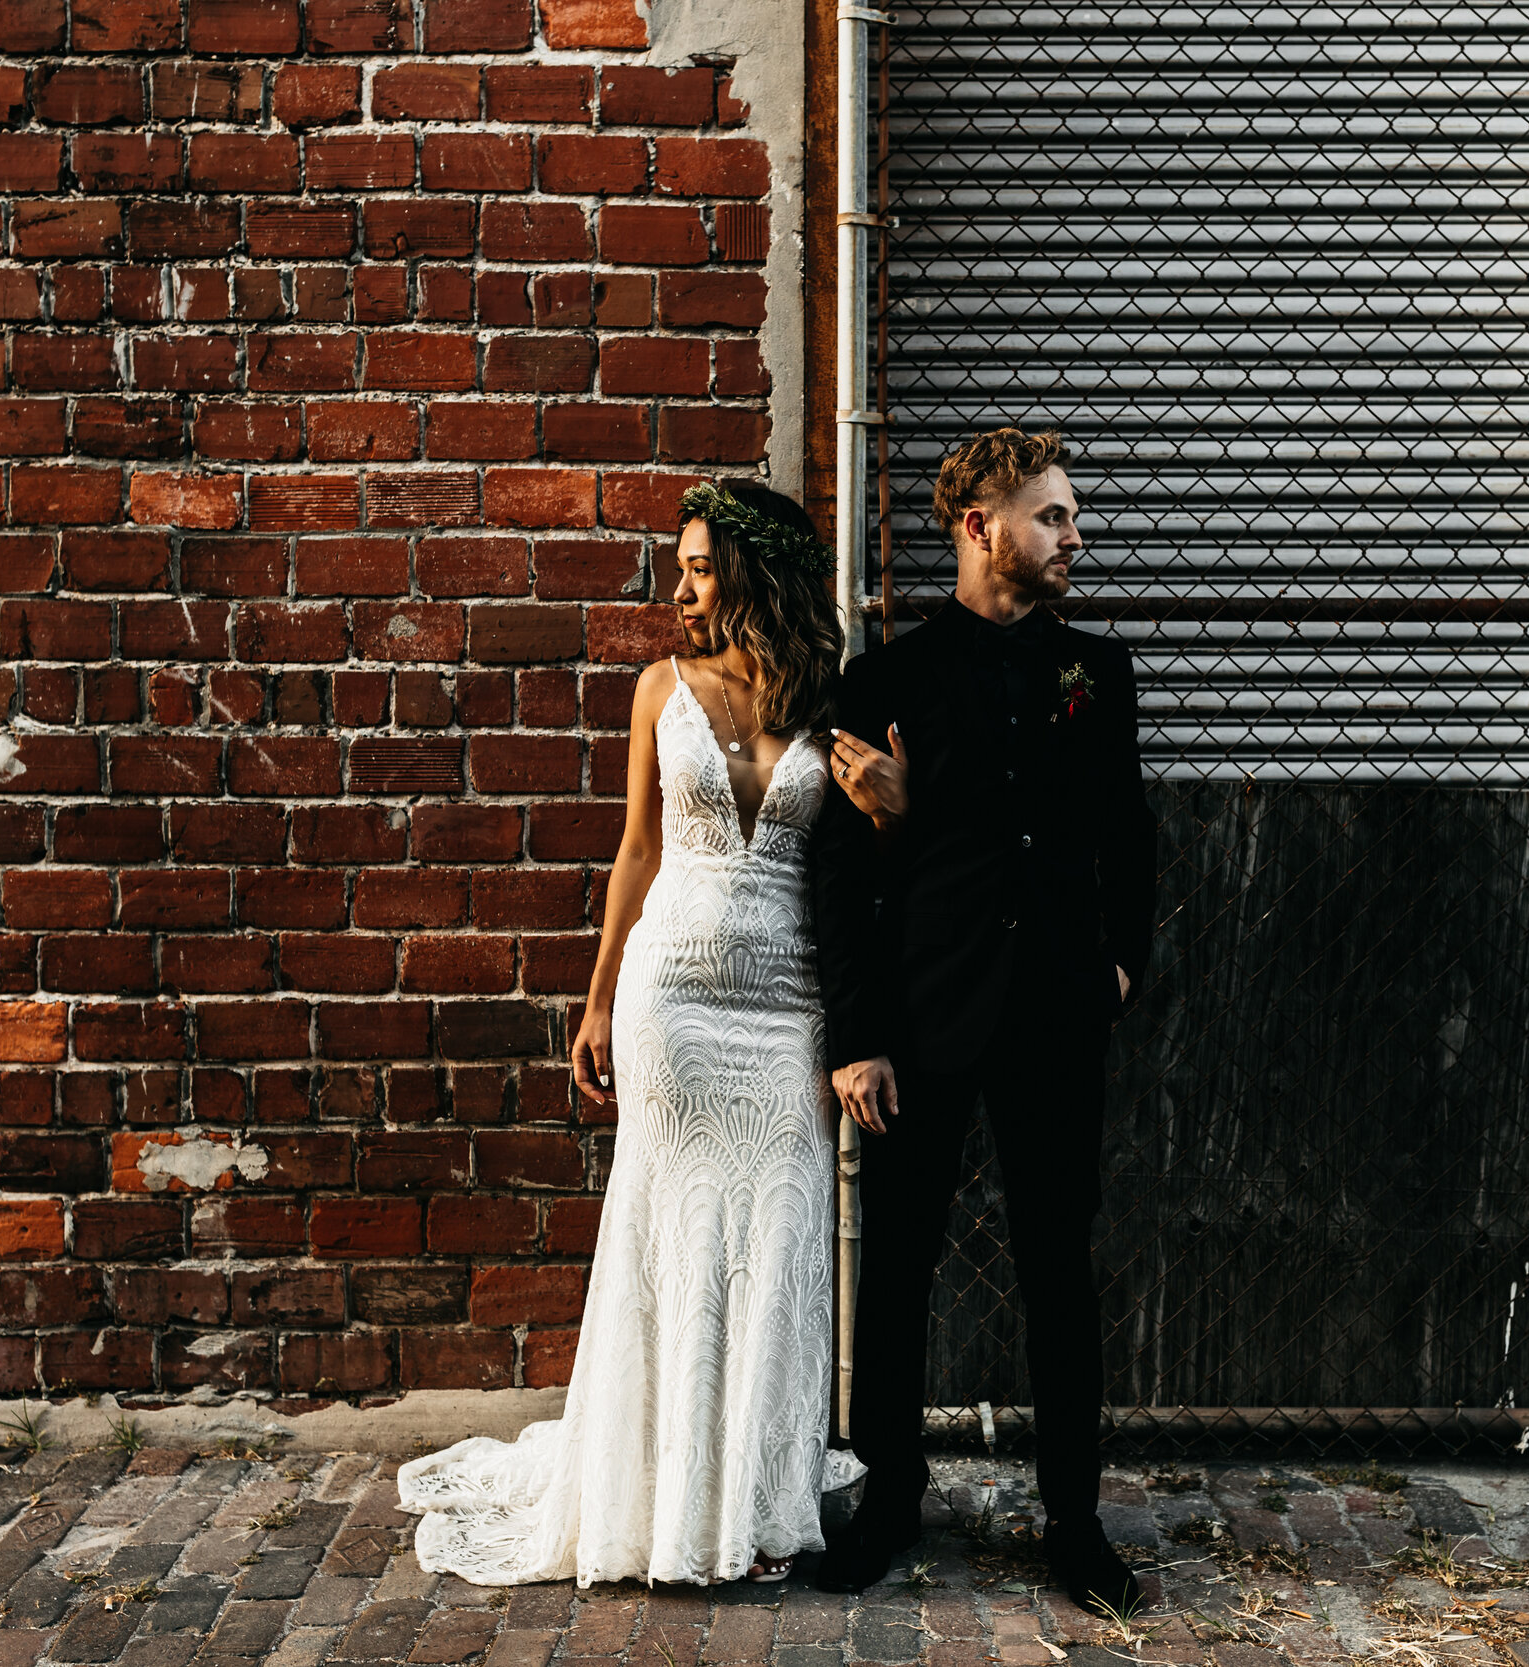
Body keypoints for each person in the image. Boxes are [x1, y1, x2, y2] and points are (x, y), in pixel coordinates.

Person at [397, 481, 861, 1587]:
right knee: (671, 1237)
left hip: (791, 1006)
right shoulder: (660, 688)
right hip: (675, 1001)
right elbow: (638, 850)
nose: (681, 589)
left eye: (700, 567)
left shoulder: (830, 701)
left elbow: (864, 867)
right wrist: (600, 996)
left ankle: (751, 1499)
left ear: (752, 572)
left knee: (779, 1242)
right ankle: (658, 1498)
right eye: (682, 568)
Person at [811, 428, 1157, 1610]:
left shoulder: (1093, 671)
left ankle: (1074, 1518)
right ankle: (889, 1498)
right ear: (979, 526)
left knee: (1059, 1264)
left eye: (1072, 515)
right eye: (1053, 515)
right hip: (922, 1015)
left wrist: (1123, 966)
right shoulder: (885, 680)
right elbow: (841, 875)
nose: (1075, 537)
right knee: (897, 1264)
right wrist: (856, 1034)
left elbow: (1126, 833)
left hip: (1057, 1010)